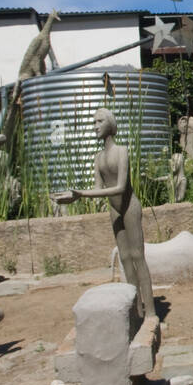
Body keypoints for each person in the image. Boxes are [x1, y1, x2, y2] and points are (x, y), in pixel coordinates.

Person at [54, 108, 155, 320]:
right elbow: (99, 189)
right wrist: (76, 196)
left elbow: (120, 187)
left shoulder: (121, 151)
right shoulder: (98, 157)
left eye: (99, 121)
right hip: (114, 209)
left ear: (110, 123)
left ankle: (152, 312)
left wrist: (81, 193)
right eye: (94, 122)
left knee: (138, 256)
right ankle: (136, 311)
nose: (95, 126)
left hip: (129, 206)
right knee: (125, 259)